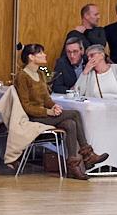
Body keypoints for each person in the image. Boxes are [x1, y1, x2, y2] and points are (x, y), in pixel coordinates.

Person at [14, 43, 108, 180]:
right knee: (75, 113)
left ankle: (72, 167)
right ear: (31, 57)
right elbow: (26, 106)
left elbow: (46, 98)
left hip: (44, 113)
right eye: (40, 53)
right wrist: (48, 112)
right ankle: (88, 155)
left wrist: (53, 106)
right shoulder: (22, 76)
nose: (44, 55)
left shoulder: (40, 73)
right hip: (34, 116)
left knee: (70, 123)